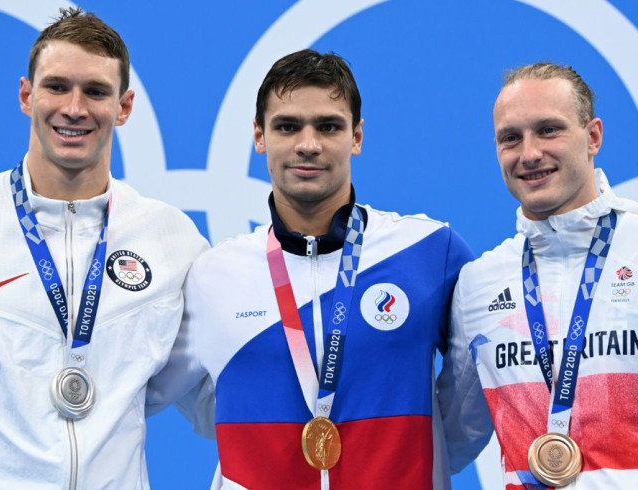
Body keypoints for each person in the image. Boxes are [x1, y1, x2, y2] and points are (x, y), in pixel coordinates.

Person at [149, 49, 491, 489]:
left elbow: (478, 384)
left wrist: (425, 453)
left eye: (328, 126)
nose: (307, 144)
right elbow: (169, 393)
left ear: (357, 137)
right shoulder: (213, 275)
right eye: (287, 126)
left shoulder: (429, 251)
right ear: (259, 136)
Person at [0, 8, 208, 489]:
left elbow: (218, 403)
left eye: (96, 91)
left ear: (124, 107)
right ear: (27, 95)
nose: (74, 107)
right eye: (57, 86)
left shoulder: (171, 240)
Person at [447, 62, 638, 488]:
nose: (529, 153)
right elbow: (447, 441)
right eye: (510, 138)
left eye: (548, 130)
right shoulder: (480, 284)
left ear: (593, 138)